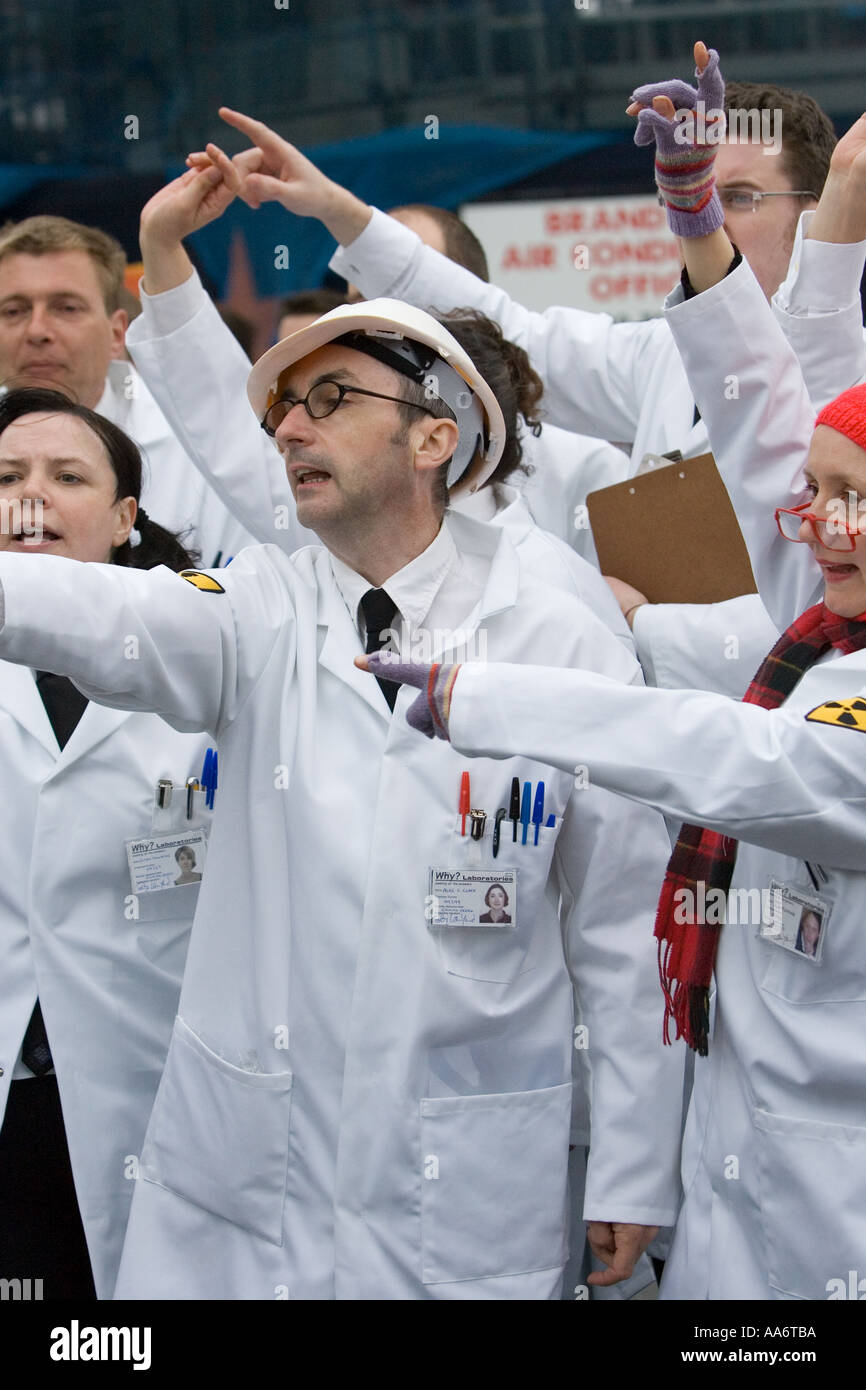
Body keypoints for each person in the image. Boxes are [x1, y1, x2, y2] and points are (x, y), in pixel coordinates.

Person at [0, 300, 684, 1300]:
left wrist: (630, 1161)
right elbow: (100, 612)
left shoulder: (556, 629)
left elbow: (624, 925)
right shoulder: (257, 607)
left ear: (432, 436)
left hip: (464, 1175)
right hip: (247, 1176)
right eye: (283, 407)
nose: (287, 427)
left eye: (331, 398)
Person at [357, 46, 866, 1302]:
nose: (821, 526)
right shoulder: (819, 634)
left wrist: (494, 692)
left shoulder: (817, 693)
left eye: (853, 502)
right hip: (739, 1156)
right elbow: (768, 427)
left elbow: (737, 758)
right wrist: (693, 223)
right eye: (826, 503)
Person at [126, 155, 632, 645]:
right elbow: (221, 416)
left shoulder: (584, 487)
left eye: (400, 290)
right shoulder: (332, 494)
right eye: (355, 305)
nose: (374, 325)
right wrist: (162, 244)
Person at [0, 387, 213, 1299]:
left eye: (67, 475)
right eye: (5, 476)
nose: (30, 496)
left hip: (159, 1089)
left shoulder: (207, 660)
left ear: (127, 516)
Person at [0, 215, 255, 566]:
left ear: (118, 333)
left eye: (66, 308)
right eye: (14, 311)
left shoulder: (201, 447)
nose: (37, 330)